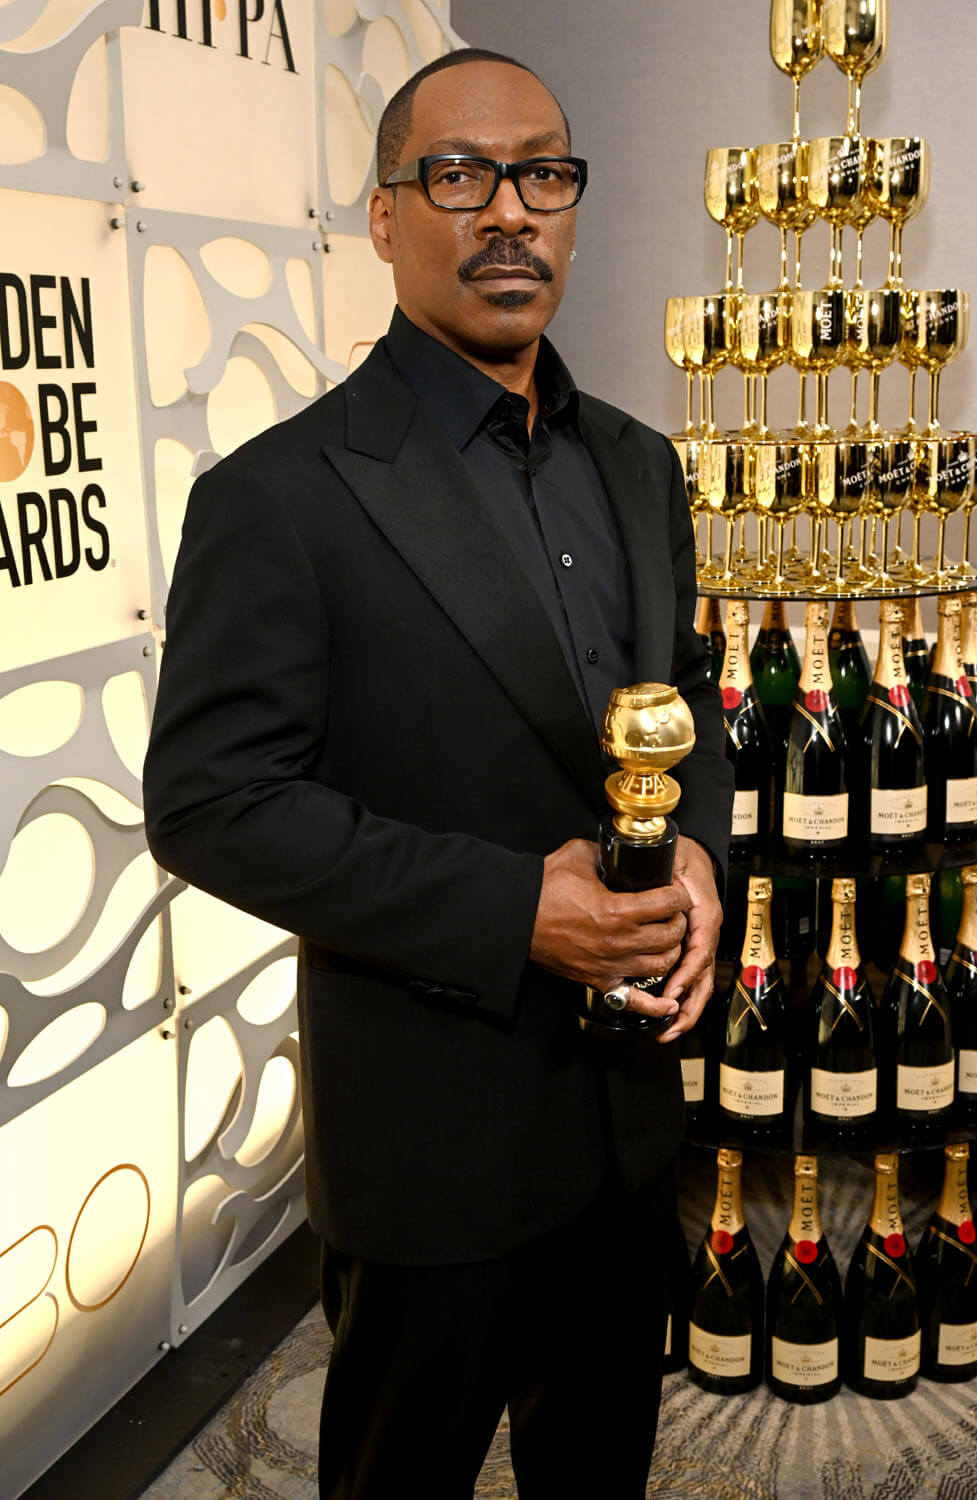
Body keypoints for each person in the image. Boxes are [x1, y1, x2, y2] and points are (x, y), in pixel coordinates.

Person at [143, 47, 733, 1500]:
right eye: (460, 175)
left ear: (574, 209)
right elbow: (213, 802)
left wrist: (706, 859)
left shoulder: (642, 465)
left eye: (543, 175)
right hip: (434, 1140)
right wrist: (516, 911)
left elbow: (690, 703)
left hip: (628, 1117)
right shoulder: (278, 496)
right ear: (384, 214)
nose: (509, 211)